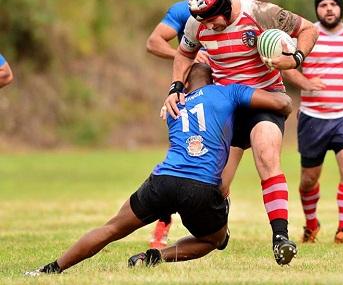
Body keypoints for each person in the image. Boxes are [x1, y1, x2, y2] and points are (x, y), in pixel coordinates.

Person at [25, 63, 293, 276]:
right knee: (214, 240)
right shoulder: (227, 92)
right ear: (214, 80)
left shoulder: (172, 106)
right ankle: (159, 255)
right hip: (200, 187)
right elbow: (281, 104)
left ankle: (51, 268)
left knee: (111, 228)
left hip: (163, 179)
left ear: (184, 86)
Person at [164, 0, 318, 265]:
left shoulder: (260, 12)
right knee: (217, 184)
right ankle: (219, 232)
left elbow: (309, 29)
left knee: (266, 156)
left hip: (266, 100)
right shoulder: (196, 25)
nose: (209, 26)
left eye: (212, 19)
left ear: (223, 6)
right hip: (227, 106)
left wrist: (295, 58)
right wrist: (175, 86)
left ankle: (280, 238)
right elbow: (184, 54)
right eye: (203, 22)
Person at [146, 0, 231, 249]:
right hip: (192, 98)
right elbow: (154, 42)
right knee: (181, 159)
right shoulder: (185, 10)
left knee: (220, 162)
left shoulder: (235, 11)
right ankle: (162, 225)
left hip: (225, 99)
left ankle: (215, 223)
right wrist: (188, 56)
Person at [282, 0, 343, 244]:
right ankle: (311, 225)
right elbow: (286, 66)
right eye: (323, 5)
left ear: (341, 8)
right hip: (313, 117)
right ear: (316, 10)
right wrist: (305, 81)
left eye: (333, 4)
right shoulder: (305, 35)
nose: (329, 9)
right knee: (309, 179)